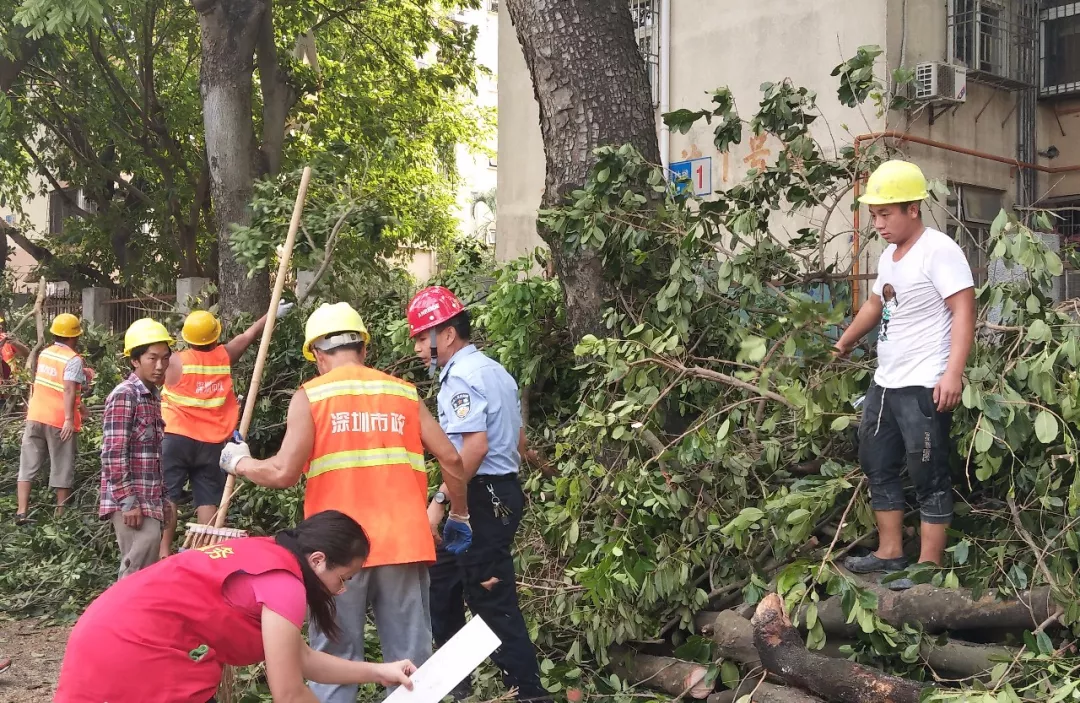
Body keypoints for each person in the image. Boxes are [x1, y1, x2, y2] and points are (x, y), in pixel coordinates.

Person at [219, 302, 472, 703]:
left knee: (334, 661)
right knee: (412, 666)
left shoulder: (312, 396)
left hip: (335, 554)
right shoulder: (402, 393)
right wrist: (457, 513)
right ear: (364, 349)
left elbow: (283, 472)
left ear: (318, 355)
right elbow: (452, 459)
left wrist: (239, 462)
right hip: (403, 545)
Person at [54, 510, 417, 703]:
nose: (342, 590)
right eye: (344, 577)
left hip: (103, 627)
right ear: (318, 560)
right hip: (134, 647)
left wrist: (379, 672)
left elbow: (302, 659)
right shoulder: (285, 584)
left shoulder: (266, 553)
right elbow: (288, 693)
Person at [834, 159, 976, 590]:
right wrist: (844, 341)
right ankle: (890, 552)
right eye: (874, 215)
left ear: (913, 209)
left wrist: (953, 374)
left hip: (924, 384)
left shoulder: (938, 251)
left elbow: (963, 310)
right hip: (886, 382)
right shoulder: (890, 256)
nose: (878, 224)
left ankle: (928, 567)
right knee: (877, 464)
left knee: (928, 474)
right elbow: (876, 304)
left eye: (885, 214)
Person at [407, 286, 547, 701]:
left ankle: (529, 693)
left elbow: (473, 449)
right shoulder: (495, 371)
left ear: (447, 334)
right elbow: (519, 442)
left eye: (422, 338)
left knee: (491, 597)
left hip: (482, 497)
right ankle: (455, 682)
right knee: (442, 581)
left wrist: (442, 504)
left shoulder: (460, 378)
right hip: (496, 491)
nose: (417, 348)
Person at [159, 304, 293, 559]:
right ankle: (205, 552)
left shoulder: (174, 362)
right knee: (208, 498)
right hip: (212, 443)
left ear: (186, 338)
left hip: (175, 438)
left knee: (169, 496)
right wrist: (271, 314)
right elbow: (248, 335)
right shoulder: (224, 356)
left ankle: (164, 551)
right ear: (215, 336)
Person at [99, 318, 174, 580]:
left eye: (165, 358)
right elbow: (113, 453)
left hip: (149, 499)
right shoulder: (125, 394)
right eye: (152, 358)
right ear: (135, 360)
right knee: (136, 575)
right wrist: (128, 501)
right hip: (132, 502)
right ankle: (116, 610)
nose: (160, 365)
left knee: (145, 574)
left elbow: (153, 456)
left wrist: (163, 499)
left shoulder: (152, 397)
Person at [15, 313, 87, 524]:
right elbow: (68, 389)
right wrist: (69, 419)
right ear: (73, 336)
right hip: (58, 420)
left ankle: (21, 511)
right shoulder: (73, 359)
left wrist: (80, 407)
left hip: (35, 416)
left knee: (27, 465)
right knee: (62, 466)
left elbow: (50, 385)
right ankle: (60, 515)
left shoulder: (45, 353)